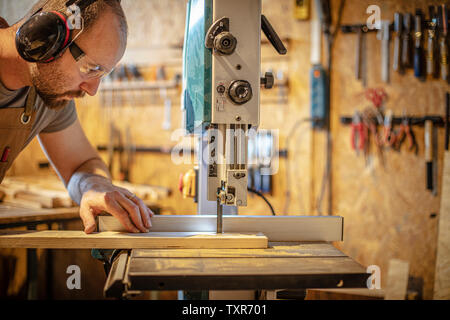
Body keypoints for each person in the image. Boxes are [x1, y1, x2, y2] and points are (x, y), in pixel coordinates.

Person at [0, 0, 153, 234]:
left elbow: (80, 165)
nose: (92, 90)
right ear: (46, 37)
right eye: (91, 68)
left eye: (103, 74)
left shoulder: (48, 94)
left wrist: (94, 186)